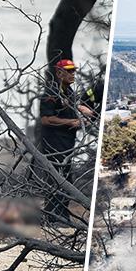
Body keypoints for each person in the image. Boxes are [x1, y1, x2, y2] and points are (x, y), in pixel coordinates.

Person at [39, 58, 88, 224]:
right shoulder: (51, 93)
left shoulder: (70, 93)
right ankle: (53, 218)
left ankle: (62, 215)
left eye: (74, 70)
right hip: (54, 146)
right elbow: (46, 119)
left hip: (67, 145)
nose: (73, 74)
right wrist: (70, 123)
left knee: (66, 179)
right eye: (69, 71)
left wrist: (83, 116)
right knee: (55, 180)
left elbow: (73, 109)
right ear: (59, 73)